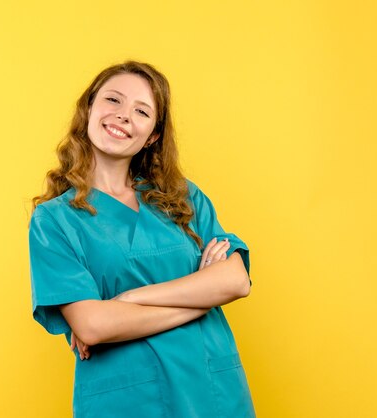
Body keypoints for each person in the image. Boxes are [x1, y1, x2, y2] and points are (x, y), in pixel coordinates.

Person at [28, 60, 255, 417]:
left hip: (212, 391)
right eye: (113, 100)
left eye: (141, 111)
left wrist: (128, 299)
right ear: (89, 108)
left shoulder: (184, 198)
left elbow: (236, 280)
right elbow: (93, 325)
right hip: (127, 399)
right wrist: (203, 293)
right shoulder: (54, 220)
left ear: (152, 136)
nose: (123, 116)